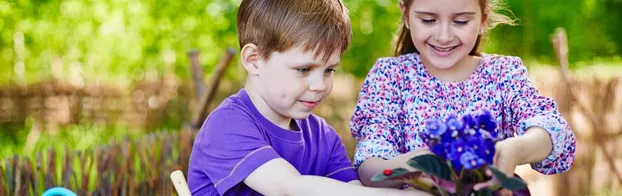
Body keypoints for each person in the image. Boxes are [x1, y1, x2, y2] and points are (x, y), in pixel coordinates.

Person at [187, 0, 429, 195]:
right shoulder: (227, 126)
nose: (320, 85)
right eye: (304, 69)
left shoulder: (323, 136)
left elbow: (351, 191)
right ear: (254, 60)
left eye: (329, 70)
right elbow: (288, 187)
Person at [350, 0, 576, 191]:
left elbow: (552, 131)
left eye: (460, 21)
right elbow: (370, 167)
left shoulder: (503, 73)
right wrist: (423, 164)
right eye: (428, 20)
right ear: (406, 15)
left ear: (483, 19)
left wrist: (515, 150)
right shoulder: (390, 76)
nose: (444, 36)